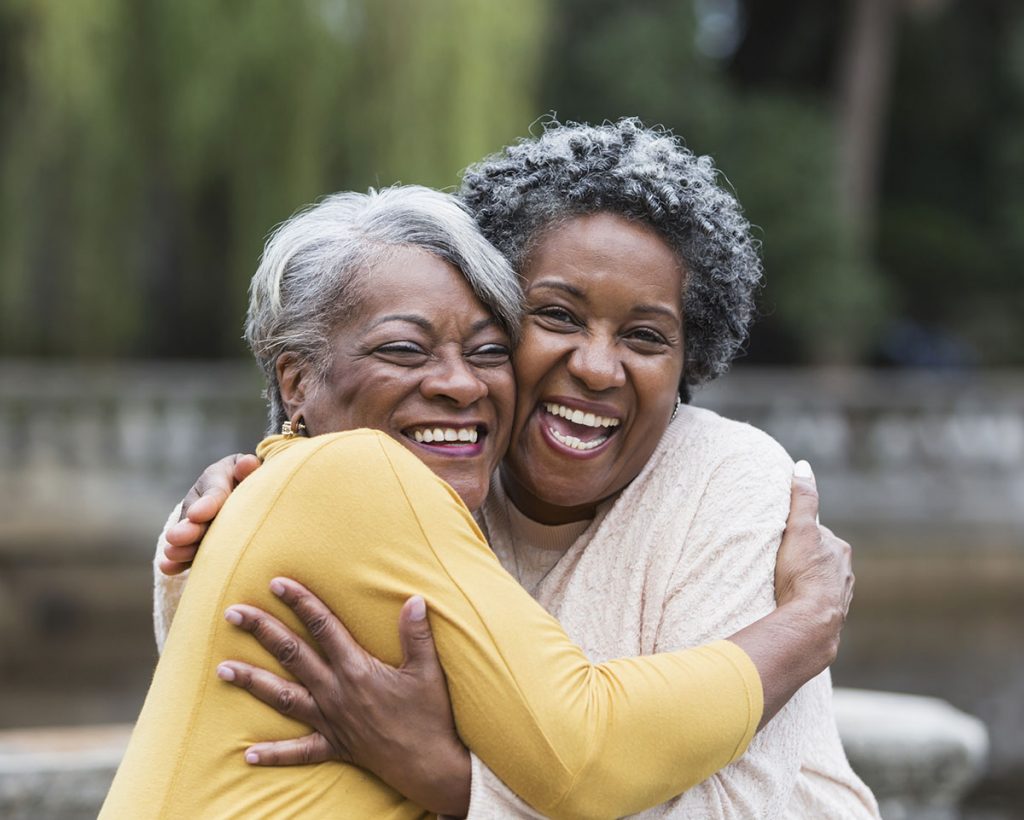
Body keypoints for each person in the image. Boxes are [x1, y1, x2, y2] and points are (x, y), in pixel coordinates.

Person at [105, 183, 859, 820]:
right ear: (296, 380)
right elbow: (585, 747)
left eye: (486, 350)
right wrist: (802, 627)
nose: (461, 385)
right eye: (556, 317)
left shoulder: (722, 477)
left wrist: (448, 779)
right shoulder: (362, 476)